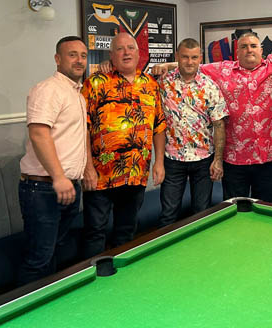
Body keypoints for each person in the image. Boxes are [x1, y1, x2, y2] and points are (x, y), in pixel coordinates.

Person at [153, 33, 272, 203]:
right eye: (243, 46)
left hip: (269, 158)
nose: (248, 50)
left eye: (253, 46)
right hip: (235, 160)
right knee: (234, 212)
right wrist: (166, 65)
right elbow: (193, 65)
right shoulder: (222, 69)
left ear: (262, 50)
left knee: (267, 210)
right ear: (237, 52)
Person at [81, 32, 166, 258]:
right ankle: (92, 284)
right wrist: (87, 167)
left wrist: (159, 163)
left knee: (126, 231)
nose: (126, 52)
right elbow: (83, 129)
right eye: (120, 49)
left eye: (130, 48)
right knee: (95, 232)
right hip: (100, 175)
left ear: (139, 54)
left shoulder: (150, 85)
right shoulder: (95, 83)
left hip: (136, 173)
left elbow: (159, 125)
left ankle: (119, 281)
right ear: (112, 55)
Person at [18, 36, 90, 285]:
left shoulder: (77, 94)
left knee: (53, 254)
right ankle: (23, 318)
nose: (79, 60)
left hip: (67, 187)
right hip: (44, 188)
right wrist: (59, 177)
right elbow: (38, 133)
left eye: (83, 55)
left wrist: (82, 172)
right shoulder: (48, 89)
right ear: (58, 59)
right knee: (38, 259)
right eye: (72, 54)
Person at [157, 38, 228, 227]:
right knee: (168, 214)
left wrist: (218, 160)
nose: (189, 62)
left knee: (202, 213)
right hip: (173, 159)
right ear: (177, 57)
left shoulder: (210, 86)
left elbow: (219, 125)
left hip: (203, 159)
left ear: (200, 58)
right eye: (185, 57)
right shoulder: (163, 82)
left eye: (194, 57)